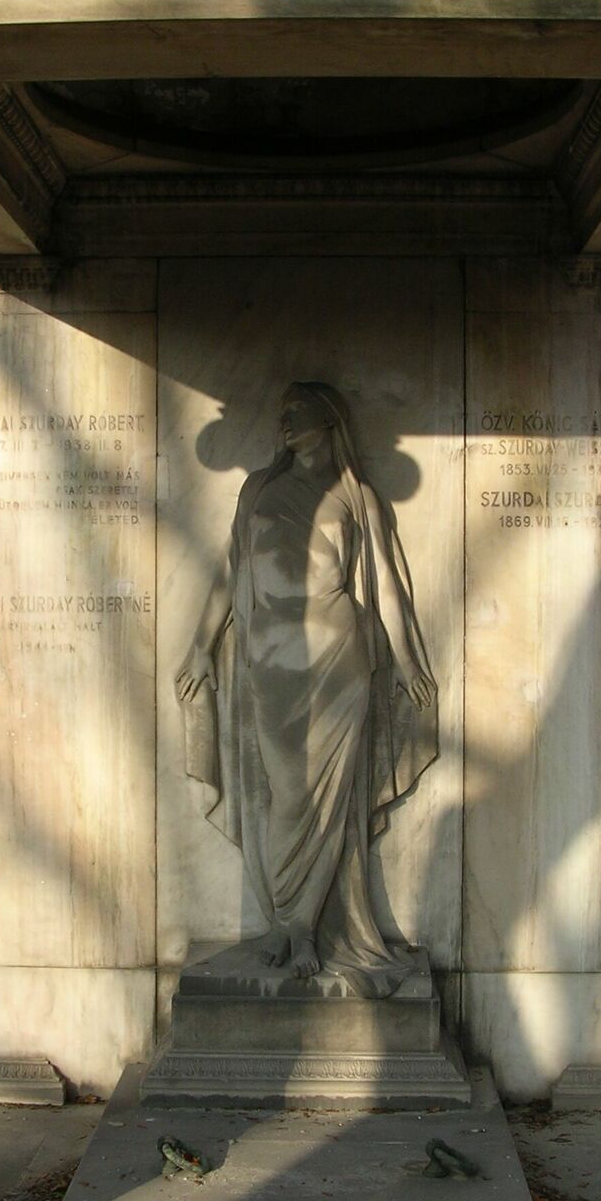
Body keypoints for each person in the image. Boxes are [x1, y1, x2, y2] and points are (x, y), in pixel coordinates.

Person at [176, 381, 437, 997]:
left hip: (338, 655)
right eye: (282, 411)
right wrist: (202, 645)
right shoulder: (258, 488)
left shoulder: (357, 496)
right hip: (271, 656)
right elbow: (231, 572)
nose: (285, 420)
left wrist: (405, 662)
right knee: (287, 792)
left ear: (329, 419)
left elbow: (386, 588)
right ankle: (288, 917)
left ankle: (297, 929)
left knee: (326, 801)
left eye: (298, 411)